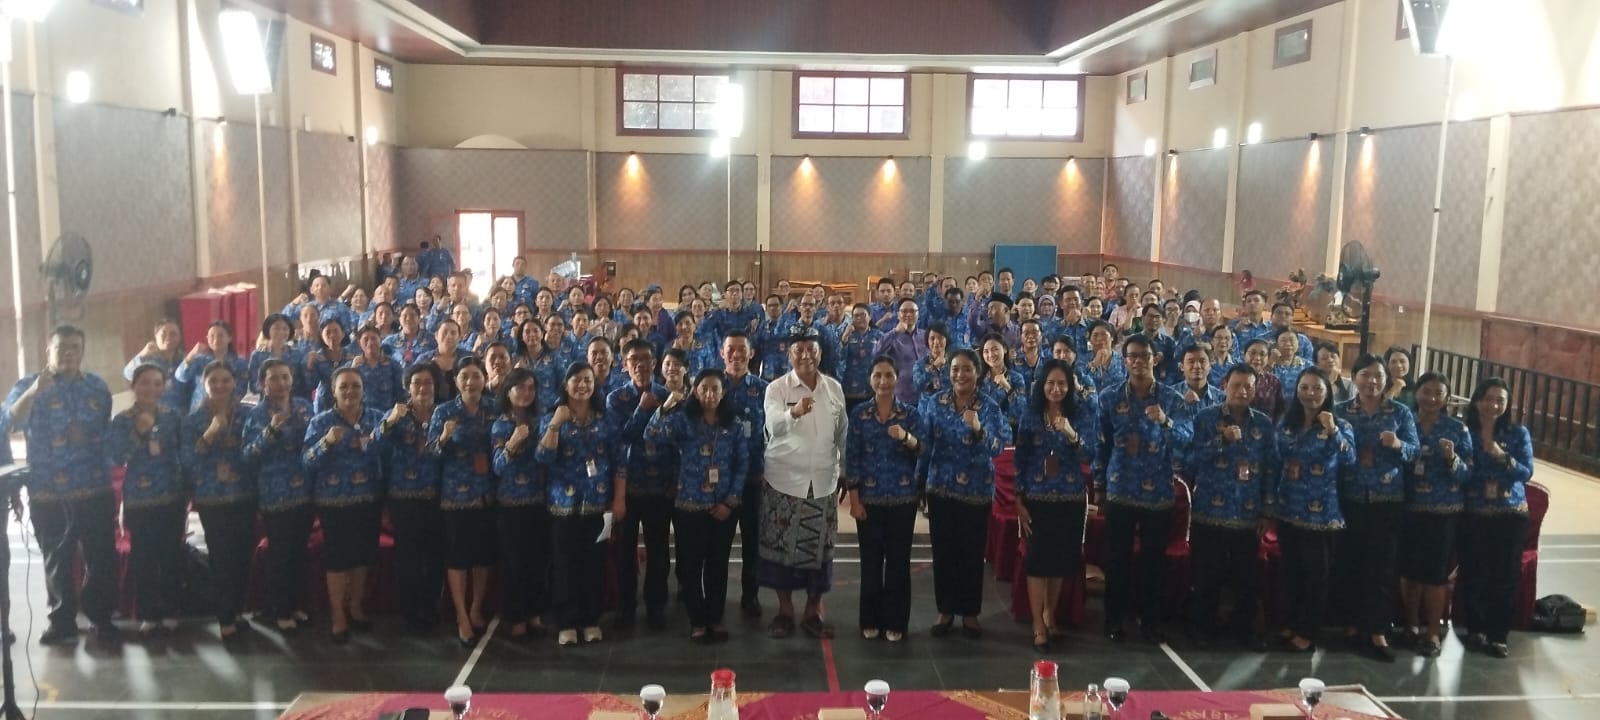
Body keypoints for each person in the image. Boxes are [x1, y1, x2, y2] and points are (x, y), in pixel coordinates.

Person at [2, 326, 119, 644]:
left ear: (82, 351)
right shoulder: (29, 384)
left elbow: (108, 431)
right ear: (48, 351)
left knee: (101, 556)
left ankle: (100, 617)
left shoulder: (96, 386)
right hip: (48, 490)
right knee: (56, 557)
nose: (68, 353)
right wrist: (33, 392)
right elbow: (9, 420)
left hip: (94, 486)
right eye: (61, 347)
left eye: (74, 347)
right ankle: (62, 621)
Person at [1094, 334, 1192, 643]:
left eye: (1144, 356)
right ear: (1124, 361)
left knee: (1153, 561)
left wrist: (1165, 422)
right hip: (1120, 487)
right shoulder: (1109, 397)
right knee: (1117, 559)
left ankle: (1150, 621)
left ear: (1155, 359)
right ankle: (1114, 620)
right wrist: (1099, 485)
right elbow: (1101, 444)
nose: (1138, 361)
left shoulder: (1172, 398)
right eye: (1132, 356)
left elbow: (1186, 441)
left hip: (1158, 493)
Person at [647, 369, 749, 643]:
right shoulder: (683, 421)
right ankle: (697, 619)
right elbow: (652, 436)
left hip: (722, 507)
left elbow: (742, 465)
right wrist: (665, 407)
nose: (710, 394)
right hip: (688, 506)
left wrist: (730, 501)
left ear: (723, 392)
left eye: (715, 389)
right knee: (691, 566)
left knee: (718, 565)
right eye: (704, 388)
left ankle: (715, 618)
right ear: (695, 391)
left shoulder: (734, 424)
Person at [1183, 363, 1280, 650]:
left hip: (1247, 513)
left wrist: (1267, 510)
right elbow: (1190, 462)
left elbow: (1271, 468)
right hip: (1208, 512)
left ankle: (1244, 630)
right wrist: (1220, 442)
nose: (1242, 391)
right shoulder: (1205, 418)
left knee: (1246, 578)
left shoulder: (1263, 423)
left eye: (1248, 386)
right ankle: (1201, 627)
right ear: (1225, 385)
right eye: (1237, 385)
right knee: (1206, 575)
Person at [760, 327, 849, 640]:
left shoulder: (834, 389)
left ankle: (813, 612)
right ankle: (785, 612)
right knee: (780, 552)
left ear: (820, 353)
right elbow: (771, 425)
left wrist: (845, 470)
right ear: (789, 354)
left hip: (822, 481)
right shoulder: (777, 388)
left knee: (820, 552)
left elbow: (843, 434)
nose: (805, 355)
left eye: (811, 349)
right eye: (799, 350)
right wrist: (793, 413)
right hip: (783, 481)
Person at [918, 348, 1009, 639]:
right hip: (940, 487)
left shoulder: (991, 407)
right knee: (943, 552)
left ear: (978, 373)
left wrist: (979, 429)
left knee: (971, 554)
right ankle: (945, 610)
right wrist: (919, 481)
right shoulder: (935, 402)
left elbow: (997, 448)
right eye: (955, 369)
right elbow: (925, 445)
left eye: (967, 369)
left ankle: (970, 613)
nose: (960, 374)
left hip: (976, 490)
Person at [1334, 353, 1419, 661]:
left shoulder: (1400, 413)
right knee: (1352, 563)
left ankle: (1378, 630)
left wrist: (1398, 445)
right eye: (1365, 375)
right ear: (1354, 378)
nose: (1372, 382)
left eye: (1378, 377)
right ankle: (1353, 625)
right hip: (1351, 497)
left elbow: (1414, 451)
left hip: (1387, 500)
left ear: (1386, 381)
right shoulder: (1341, 412)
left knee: (1382, 567)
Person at [537, 362, 626, 646]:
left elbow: (620, 463)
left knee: (594, 564)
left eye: (587, 380)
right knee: (565, 565)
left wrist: (619, 498)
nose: (582, 385)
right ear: (566, 384)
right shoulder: (553, 417)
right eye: (576, 380)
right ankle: (566, 621)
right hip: (562, 505)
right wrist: (555, 424)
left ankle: (590, 619)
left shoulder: (606, 419)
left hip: (598, 505)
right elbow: (543, 457)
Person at [1014, 359, 1097, 654]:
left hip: (1070, 499)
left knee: (1059, 562)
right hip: (1037, 499)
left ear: (1071, 386)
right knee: (1037, 561)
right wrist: (1018, 497)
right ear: (1041, 385)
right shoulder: (1030, 414)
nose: (1056, 388)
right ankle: (1038, 623)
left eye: (1062, 383)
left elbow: (1090, 454)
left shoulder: (1082, 413)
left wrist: (1071, 434)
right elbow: (1020, 458)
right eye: (1050, 383)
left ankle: (1051, 613)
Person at [1273, 365, 1355, 653]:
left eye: (1317, 388)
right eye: (1305, 388)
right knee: (1292, 571)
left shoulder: (1340, 426)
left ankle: (1308, 630)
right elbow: (1276, 460)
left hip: (1321, 514)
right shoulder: (1286, 423)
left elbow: (1349, 459)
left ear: (1327, 393)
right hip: (1288, 507)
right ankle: (1291, 622)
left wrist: (1331, 429)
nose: (1310, 394)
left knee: (1316, 575)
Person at [845, 357, 923, 644]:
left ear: (897, 378)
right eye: (877, 375)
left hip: (903, 499)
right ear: (870, 379)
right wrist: (854, 500)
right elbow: (851, 458)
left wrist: (906, 438)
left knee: (899, 563)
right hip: (870, 499)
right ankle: (870, 619)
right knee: (871, 562)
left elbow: (922, 450)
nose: (883, 381)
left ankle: (896, 622)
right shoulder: (860, 414)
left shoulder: (910, 414)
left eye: (888, 375)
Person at [111, 364, 187, 636]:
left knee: (170, 555)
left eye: (157, 383)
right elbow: (117, 457)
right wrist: (140, 433)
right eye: (145, 383)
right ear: (134, 386)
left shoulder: (173, 417)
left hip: (172, 495)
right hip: (140, 498)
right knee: (143, 556)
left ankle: (170, 609)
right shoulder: (121, 420)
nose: (151, 389)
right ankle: (148, 613)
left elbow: (183, 454)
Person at [1460, 377, 1533, 659]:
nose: (1493, 405)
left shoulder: (1517, 433)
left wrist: (1503, 456)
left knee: (1504, 576)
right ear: (1477, 400)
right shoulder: (1464, 431)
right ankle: (1475, 629)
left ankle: (1498, 635)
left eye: (1500, 400)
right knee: (1474, 571)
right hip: (1473, 511)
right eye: (1488, 398)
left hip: (1509, 514)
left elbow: (1526, 472)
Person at [1399, 372, 1472, 658]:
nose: (1431, 399)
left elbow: (1469, 473)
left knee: (1435, 575)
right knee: (1409, 572)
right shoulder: (1405, 422)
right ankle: (1410, 626)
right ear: (1416, 393)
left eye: (1438, 394)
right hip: (1408, 506)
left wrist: (1452, 459)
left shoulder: (1457, 429)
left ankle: (1432, 632)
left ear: (1446, 398)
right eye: (1426, 392)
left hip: (1443, 512)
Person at [241, 360, 316, 634]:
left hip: (305, 491)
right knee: (280, 553)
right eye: (274, 378)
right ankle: (279, 609)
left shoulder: (304, 407)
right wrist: (270, 431)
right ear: (263, 383)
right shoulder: (257, 415)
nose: (281, 383)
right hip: (276, 493)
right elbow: (247, 455)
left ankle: (294, 603)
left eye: (285, 377)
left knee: (298, 551)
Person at [181, 360, 254, 639]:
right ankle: (224, 618)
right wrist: (211, 432)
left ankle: (235, 611)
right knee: (222, 558)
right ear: (204, 385)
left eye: (226, 380)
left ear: (235, 383)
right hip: (213, 498)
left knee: (242, 557)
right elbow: (187, 460)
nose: (220, 385)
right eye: (214, 381)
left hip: (246, 493)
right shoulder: (193, 420)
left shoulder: (248, 414)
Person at [428, 358, 498, 647]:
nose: (471, 381)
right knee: (457, 559)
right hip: (455, 497)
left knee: (483, 556)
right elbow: (431, 454)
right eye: (465, 376)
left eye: (476, 376)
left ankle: (476, 607)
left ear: (484, 378)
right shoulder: (444, 411)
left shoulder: (493, 408)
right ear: (456, 381)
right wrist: (443, 437)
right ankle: (461, 615)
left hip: (485, 494)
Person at [375, 364, 446, 631]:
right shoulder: (397, 414)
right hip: (404, 496)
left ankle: (430, 606)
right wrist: (390, 421)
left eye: (427, 382)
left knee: (435, 555)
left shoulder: (443, 413)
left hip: (438, 494)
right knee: (409, 557)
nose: (422, 387)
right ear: (408, 386)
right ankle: (411, 611)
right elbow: (374, 444)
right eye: (417, 382)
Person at [609, 339, 673, 630]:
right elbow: (620, 439)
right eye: (634, 359)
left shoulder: (668, 396)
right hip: (627, 487)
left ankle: (656, 606)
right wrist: (642, 410)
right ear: (625, 364)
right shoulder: (616, 399)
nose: (641, 365)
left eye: (646, 359)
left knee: (659, 551)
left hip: (660, 486)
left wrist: (675, 480)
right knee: (624, 552)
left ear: (655, 362)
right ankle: (626, 607)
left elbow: (673, 442)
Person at [490, 367, 550, 640]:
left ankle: (534, 612)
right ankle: (515, 616)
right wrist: (513, 443)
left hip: (539, 500)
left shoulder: (542, 422)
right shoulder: (500, 424)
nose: (526, 393)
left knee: (537, 559)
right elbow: (498, 467)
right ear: (508, 391)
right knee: (513, 562)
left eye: (530, 388)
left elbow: (548, 458)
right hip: (510, 503)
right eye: (520, 387)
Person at [716, 332, 770, 620]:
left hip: (753, 479)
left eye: (741, 351)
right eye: (730, 350)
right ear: (722, 354)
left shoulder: (765, 390)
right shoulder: (711, 387)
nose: (736, 355)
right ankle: (716, 598)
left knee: (752, 543)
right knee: (719, 545)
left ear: (751, 354)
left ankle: (751, 596)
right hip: (720, 484)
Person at [175, 320, 250, 412]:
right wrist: (192, 354)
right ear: (207, 338)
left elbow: (241, 388)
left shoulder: (239, 362)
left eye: (220, 335)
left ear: (229, 338)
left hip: (228, 410)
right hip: (199, 409)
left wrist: (227, 407)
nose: (216, 340)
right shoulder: (199, 359)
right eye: (212, 336)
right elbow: (181, 377)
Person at [124, 317, 190, 409]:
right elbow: (128, 374)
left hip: (182, 413)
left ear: (179, 337)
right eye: (163, 334)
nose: (168, 337)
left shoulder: (185, 359)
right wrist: (142, 355)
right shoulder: (147, 359)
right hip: (154, 414)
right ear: (156, 336)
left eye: (173, 334)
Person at [348, 326, 404, 411]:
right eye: (365, 339)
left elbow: (401, 394)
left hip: (387, 415)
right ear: (359, 343)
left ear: (380, 340)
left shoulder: (393, 365)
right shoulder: (352, 366)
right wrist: (353, 369)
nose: (370, 343)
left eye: (374, 338)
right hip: (361, 415)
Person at [1080, 320, 1126, 390]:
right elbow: (1080, 384)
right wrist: (1093, 365)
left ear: (1112, 337)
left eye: (1104, 335)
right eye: (1095, 335)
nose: (1100, 339)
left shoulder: (1123, 360)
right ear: (1089, 340)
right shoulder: (1082, 360)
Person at [913, 323, 952, 398]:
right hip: (927, 408)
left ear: (947, 340)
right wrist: (933, 367)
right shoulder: (919, 364)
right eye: (932, 338)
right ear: (927, 341)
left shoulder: (953, 362)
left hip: (948, 407)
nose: (936, 342)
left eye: (940, 338)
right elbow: (918, 386)